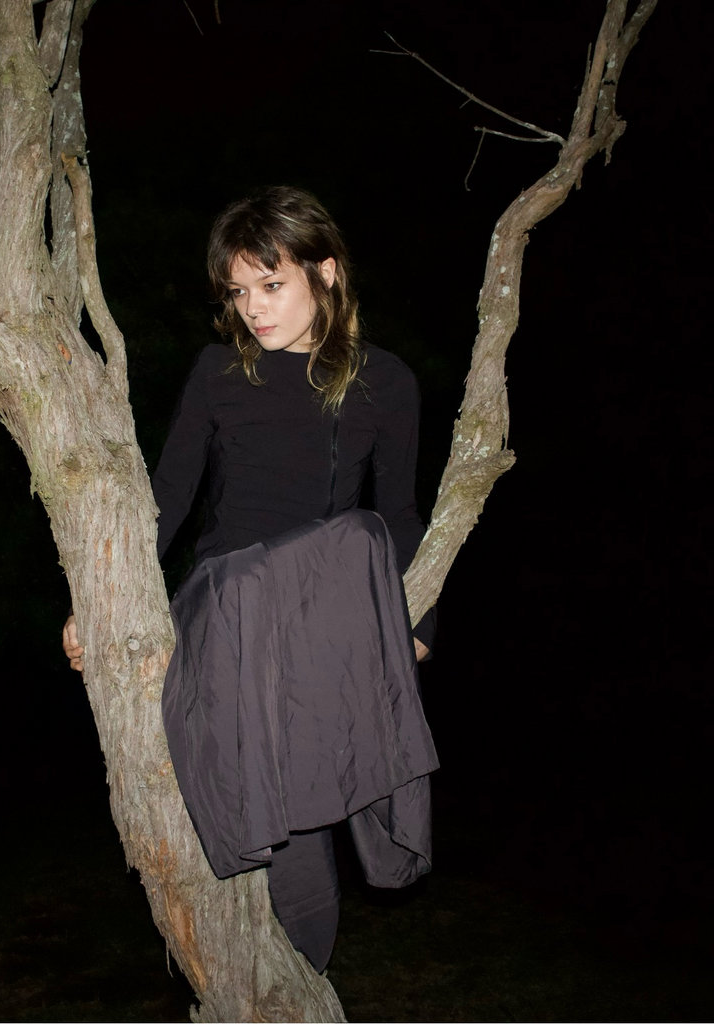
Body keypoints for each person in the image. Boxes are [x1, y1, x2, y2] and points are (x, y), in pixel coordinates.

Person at [63, 185, 437, 972]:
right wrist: (95, 608)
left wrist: (418, 627)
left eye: (271, 284)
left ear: (325, 272)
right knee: (284, 774)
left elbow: (401, 512)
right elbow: (168, 496)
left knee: (301, 805)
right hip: (230, 602)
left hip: (322, 612)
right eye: (238, 291)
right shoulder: (218, 374)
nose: (253, 308)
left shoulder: (386, 382)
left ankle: (302, 980)